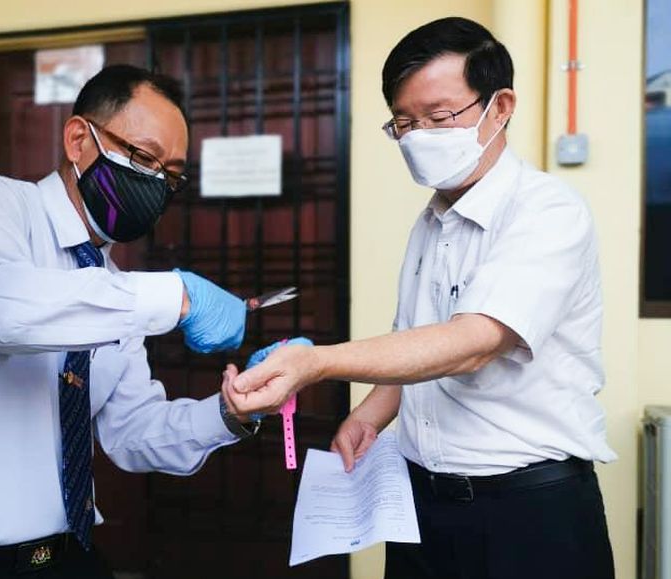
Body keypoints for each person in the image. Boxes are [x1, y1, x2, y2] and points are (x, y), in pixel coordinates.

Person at [225, 17, 616, 579]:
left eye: (438, 117)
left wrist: (318, 362)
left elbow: (473, 343)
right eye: (404, 123)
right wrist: (371, 412)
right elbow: (418, 342)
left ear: (499, 106)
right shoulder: (432, 221)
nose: (419, 136)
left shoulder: (546, 212)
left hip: (529, 512)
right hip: (420, 505)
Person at [0, 65, 260, 579]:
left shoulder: (114, 286)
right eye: (144, 157)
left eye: (171, 175)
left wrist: (231, 412)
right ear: (79, 139)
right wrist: (178, 296)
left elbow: (132, 433)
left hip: (67, 557)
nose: (157, 184)